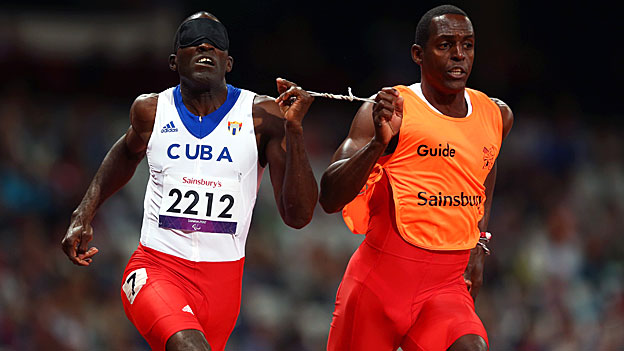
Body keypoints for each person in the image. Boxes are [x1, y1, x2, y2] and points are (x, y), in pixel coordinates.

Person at [61, 11, 318, 351]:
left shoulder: (262, 116)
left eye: (215, 44)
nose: (204, 47)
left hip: (223, 286)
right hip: (156, 268)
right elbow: (126, 153)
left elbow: (298, 216)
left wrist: (294, 130)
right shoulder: (151, 110)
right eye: (193, 42)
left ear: (229, 62)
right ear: (173, 61)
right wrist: (83, 213)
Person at [319, 5, 513, 351]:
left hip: (446, 288)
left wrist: (480, 243)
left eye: (467, 45)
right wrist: (379, 144)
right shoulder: (391, 109)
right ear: (418, 55)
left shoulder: (495, 115)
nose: (459, 55)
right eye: (445, 45)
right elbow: (330, 197)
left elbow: (485, 168)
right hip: (378, 287)